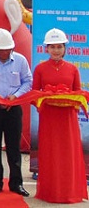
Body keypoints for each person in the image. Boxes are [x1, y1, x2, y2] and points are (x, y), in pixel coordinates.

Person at [32, 28, 87, 203]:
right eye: (52, 47)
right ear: (46, 49)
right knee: (50, 152)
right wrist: (46, 97)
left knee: (67, 153)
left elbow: (78, 92)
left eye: (59, 47)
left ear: (65, 48)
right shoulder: (40, 69)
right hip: (49, 118)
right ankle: (50, 191)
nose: (56, 50)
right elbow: (34, 94)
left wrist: (68, 97)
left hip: (67, 118)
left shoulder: (72, 69)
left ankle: (69, 191)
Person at [0, 28, 32, 197]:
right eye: (0, 49)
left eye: (7, 49)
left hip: (13, 109)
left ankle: (16, 183)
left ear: (12, 48)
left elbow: (28, 82)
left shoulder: (20, 60)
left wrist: (14, 96)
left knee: (13, 147)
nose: (4, 52)